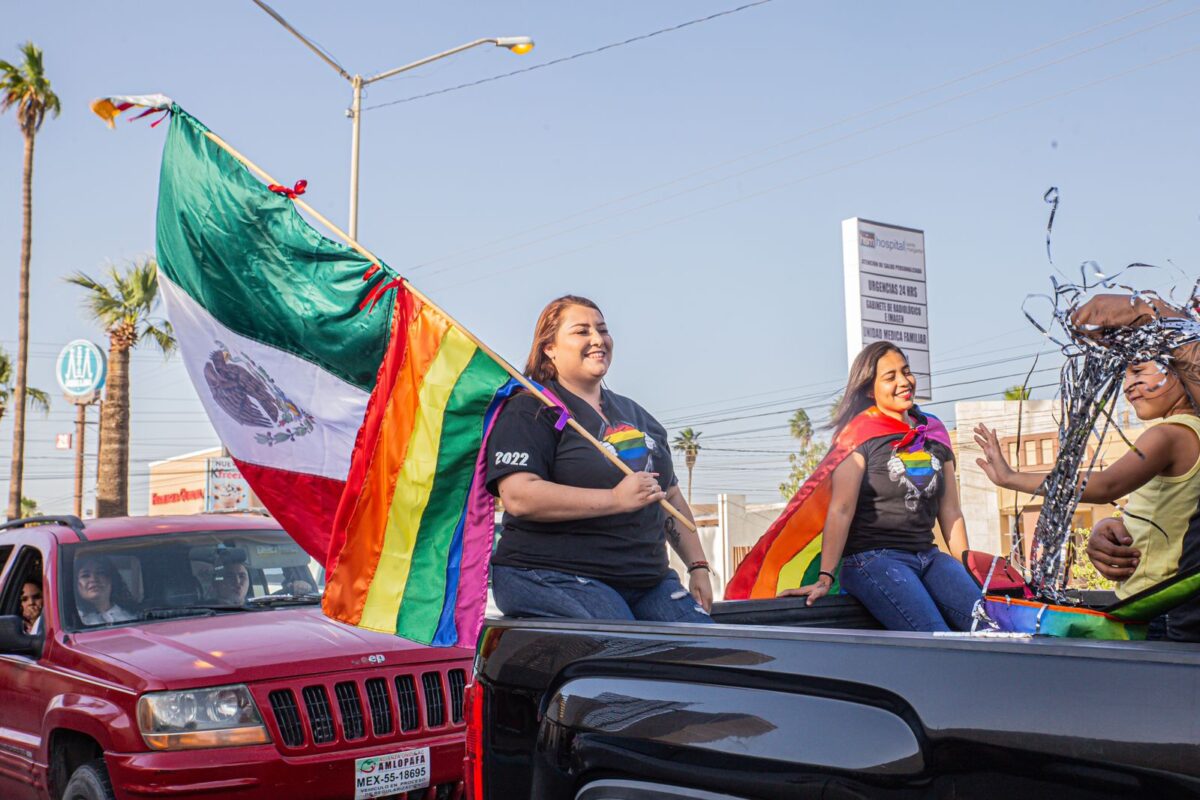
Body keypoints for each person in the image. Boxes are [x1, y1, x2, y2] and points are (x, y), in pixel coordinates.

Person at [486, 295, 713, 623]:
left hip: (647, 581)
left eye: (602, 329)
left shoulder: (639, 416)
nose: (597, 339)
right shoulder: (530, 408)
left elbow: (669, 496)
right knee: (625, 645)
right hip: (549, 574)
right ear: (549, 347)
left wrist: (698, 566)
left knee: (708, 653)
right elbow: (519, 495)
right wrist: (615, 499)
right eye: (581, 331)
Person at [975, 361, 1200, 631]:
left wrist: (1011, 478)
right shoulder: (1190, 431)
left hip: (1151, 606)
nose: (1128, 386)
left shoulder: (1169, 434)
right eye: (1125, 375)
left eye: (1138, 371)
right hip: (1166, 600)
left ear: (1178, 370)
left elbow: (1107, 484)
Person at [780, 342, 980, 632]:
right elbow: (841, 509)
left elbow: (951, 512)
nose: (903, 382)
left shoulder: (934, 431)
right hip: (873, 559)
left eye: (906, 372)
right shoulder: (858, 435)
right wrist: (825, 577)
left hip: (929, 556)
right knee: (937, 637)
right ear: (868, 390)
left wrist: (966, 571)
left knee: (991, 627)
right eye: (890, 377)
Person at [1071, 294, 1200, 641]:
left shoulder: (1174, 432)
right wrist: (1118, 526)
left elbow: (1106, 483)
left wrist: (1149, 313)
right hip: (1172, 611)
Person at [75, 554, 137, 626]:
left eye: (100, 573)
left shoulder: (132, 616)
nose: (93, 579)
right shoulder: (72, 620)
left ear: (111, 579)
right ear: (75, 585)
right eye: (85, 575)